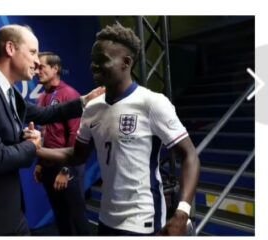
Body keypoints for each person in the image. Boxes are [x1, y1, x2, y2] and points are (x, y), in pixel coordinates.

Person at [32, 23, 200, 236]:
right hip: (106, 218)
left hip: (142, 220)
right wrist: (36, 150)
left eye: (102, 60)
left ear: (126, 62)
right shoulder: (92, 108)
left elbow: (190, 156)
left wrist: (182, 213)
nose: (94, 66)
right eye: (93, 61)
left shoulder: (152, 103)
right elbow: (76, 155)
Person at [0, 24, 104, 236]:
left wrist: (85, 100)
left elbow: (44, 114)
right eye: (32, 52)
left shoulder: (6, 91)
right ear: (10, 49)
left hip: (10, 213)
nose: (38, 61)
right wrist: (31, 145)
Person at [33, 52, 91, 235]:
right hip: (49, 167)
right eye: (36, 67)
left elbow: (76, 134)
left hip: (67, 167)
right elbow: (44, 133)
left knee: (77, 219)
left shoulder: (70, 94)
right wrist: (40, 164)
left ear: (55, 68)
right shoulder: (41, 98)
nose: (37, 71)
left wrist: (66, 170)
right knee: (61, 217)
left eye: (41, 67)